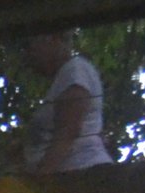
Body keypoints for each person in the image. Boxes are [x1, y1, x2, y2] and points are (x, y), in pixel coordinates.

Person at [22, 31, 114, 172]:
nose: (28, 55)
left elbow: (68, 131)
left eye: (30, 46)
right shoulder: (64, 78)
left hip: (82, 174)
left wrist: (41, 180)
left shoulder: (75, 70)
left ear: (53, 38)